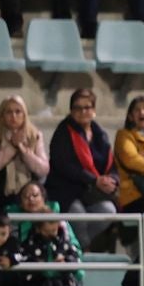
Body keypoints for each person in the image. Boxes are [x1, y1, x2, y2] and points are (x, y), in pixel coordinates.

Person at [46, 88, 117, 246]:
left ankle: (72, 246)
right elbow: (64, 165)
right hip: (66, 190)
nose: (82, 111)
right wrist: (94, 180)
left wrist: (112, 181)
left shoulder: (100, 134)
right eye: (77, 108)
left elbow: (111, 164)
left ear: (94, 110)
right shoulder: (63, 132)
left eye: (87, 107)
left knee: (108, 210)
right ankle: (80, 253)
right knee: (78, 214)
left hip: (92, 192)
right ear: (71, 111)